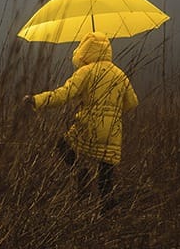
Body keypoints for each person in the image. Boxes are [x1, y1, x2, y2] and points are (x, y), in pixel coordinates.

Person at [24, 31, 138, 211]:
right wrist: (112, 110)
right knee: (106, 174)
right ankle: (106, 211)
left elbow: (64, 94)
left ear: (85, 50)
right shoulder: (119, 74)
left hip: (89, 127)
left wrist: (36, 100)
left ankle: (80, 171)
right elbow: (132, 102)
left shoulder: (85, 72)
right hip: (113, 131)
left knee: (63, 144)